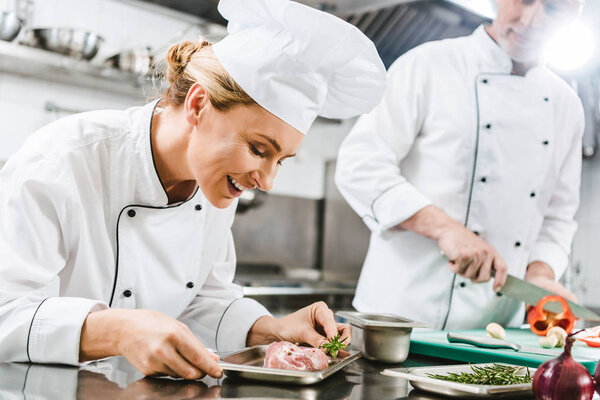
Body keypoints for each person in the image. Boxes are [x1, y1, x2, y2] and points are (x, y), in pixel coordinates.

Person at [0, 0, 386, 379]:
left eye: (280, 160)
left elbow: (202, 301)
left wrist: (272, 328)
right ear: (198, 104)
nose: (266, 181)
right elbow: (5, 312)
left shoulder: (216, 183)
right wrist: (116, 330)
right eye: (258, 149)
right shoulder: (63, 160)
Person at [335, 0, 585, 330]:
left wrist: (540, 275)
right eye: (523, 0)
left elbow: (557, 217)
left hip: (495, 333)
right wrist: (444, 228)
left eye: (553, 8)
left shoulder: (565, 104)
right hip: (398, 320)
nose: (532, 21)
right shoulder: (428, 65)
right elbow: (360, 165)